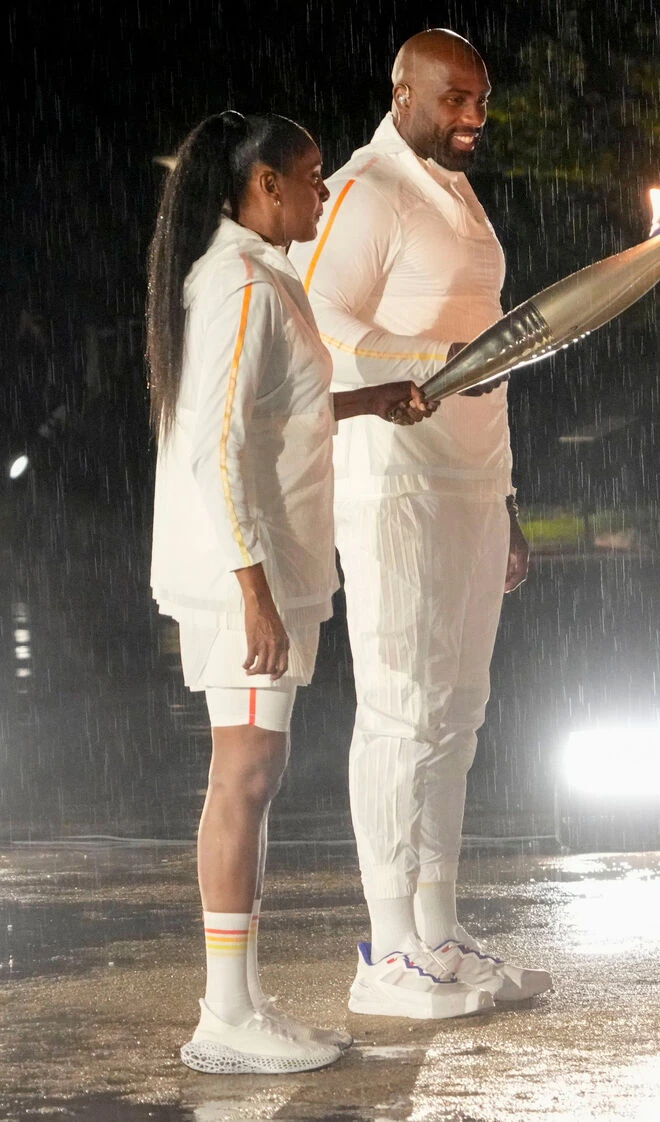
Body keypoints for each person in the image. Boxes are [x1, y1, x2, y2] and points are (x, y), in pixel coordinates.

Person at [147, 110, 435, 1073]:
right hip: (245, 577)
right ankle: (224, 1015)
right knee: (243, 777)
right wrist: (253, 591)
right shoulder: (234, 283)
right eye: (311, 177)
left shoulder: (263, 278)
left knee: (255, 778)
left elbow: (282, 411)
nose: (323, 193)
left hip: (268, 567)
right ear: (264, 185)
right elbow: (213, 447)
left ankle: (240, 1002)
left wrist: (371, 399)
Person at [288, 29, 550, 1018]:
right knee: (400, 708)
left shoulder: (458, 192)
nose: (473, 119)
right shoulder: (364, 189)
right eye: (454, 101)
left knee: (457, 713)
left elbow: (489, 357)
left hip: (472, 488)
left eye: (481, 100)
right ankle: (385, 950)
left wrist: (510, 502)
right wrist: (434, 356)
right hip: (391, 482)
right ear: (401, 89)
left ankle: (437, 935)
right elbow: (318, 330)